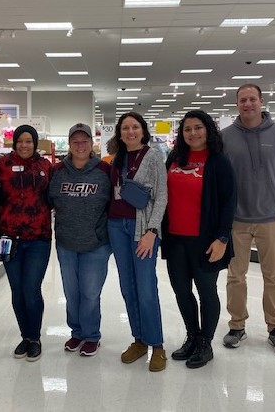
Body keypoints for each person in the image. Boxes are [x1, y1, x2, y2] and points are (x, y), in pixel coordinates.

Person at [221, 83, 275, 357]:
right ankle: (237, 325)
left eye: (252, 99)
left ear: (261, 101)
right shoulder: (225, 137)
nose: (248, 104)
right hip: (237, 219)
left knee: (274, 277)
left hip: (272, 218)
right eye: (242, 100)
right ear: (237, 104)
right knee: (235, 276)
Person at [161, 110, 237, 368]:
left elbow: (229, 201)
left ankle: (206, 343)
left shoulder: (218, 161)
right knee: (181, 290)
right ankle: (192, 336)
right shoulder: (175, 157)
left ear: (207, 129)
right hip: (175, 239)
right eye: (187, 129)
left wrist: (223, 237)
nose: (193, 133)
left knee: (206, 292)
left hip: (206, 240)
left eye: (198, 127)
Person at [107, 111, 168, 372]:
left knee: (145, 287)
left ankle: (157, 345)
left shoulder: (153, 156)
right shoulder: (117, 158)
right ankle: (139, 340)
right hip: (116, 227)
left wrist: (152, 231)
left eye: (134, 127)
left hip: (142, 229)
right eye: (125, 128)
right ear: (119, 133)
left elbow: (162, 196)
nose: (130, 132)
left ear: (142, 130)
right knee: (127, 286)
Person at [49, 123, 112, 357]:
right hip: (66, 244)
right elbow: (49, 201)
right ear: (69, 144)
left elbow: (113, 205)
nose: (80, 145)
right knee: (72, 292)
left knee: (90, 292)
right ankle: (76, 332)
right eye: (75, 141)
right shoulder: (57, 171)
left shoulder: (104, 171)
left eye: (84, 141)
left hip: (96, 245)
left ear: (91, 143)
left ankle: (92, 335)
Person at [0, 125, 52, 362]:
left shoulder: (46, 167)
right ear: (14, 142)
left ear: (35, 143)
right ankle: (25, 336)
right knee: (17, 291)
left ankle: (35, 337)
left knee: (31, 289)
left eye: (29, 141)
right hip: (8, 239)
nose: (24, 145)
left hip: (38, 238)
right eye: (20, 141)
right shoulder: (1, 165)